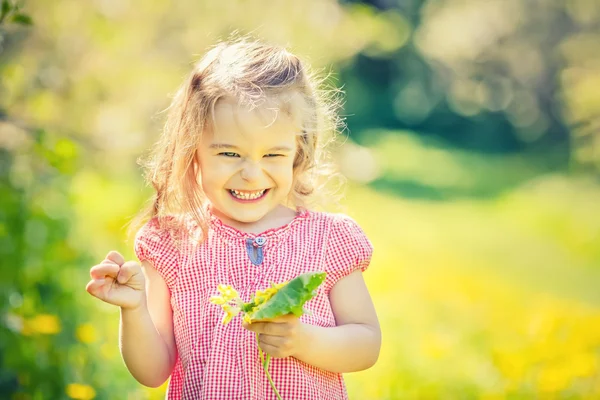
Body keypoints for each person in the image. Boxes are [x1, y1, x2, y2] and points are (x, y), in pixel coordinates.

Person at [86, 37, 381, 400]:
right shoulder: (172, 244)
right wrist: (133, 309)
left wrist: (304, 340)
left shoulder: (328, 239)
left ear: (298, 152)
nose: (251, 174)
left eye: (273, 154)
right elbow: (152, 371)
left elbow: (366, 343)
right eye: (229, 153)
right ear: (193, 150)